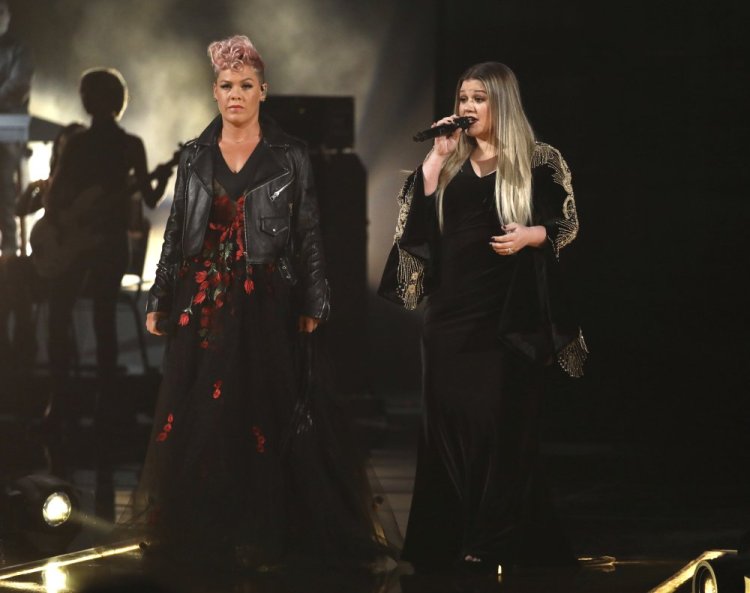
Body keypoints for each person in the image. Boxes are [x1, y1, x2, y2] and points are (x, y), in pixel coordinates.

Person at [129, 34, 399, 573]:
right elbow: (179, 229)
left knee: (265, 407)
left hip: (267, 295)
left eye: (246, 86)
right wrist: (159, 296)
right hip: (205, 300)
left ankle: (266, 528)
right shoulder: (195, 155)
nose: (235, 95)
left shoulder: (289, 154)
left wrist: (316, 296)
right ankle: (210, 528)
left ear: (263, 91)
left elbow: (308, 231)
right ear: (214, 92)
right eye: (227, 86)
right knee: (206, 412)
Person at [379, 62, 588, 573]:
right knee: (446, 428)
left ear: (502, 103)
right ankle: (444, 537)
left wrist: (529, 235)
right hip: (449, 318)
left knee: (500, 427)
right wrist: (434, 161)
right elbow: (416, 234)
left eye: (479, 98)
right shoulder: (448, 163)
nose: (468, 107)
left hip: (506, 318)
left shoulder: (538, 160)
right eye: (463, 97)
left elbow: (566, 224)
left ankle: (493, 538)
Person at [41, 68, 171, 429]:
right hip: (109, 245)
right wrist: (162, 177)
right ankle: (104, 408)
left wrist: (61, 224)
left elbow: (56, 194)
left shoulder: (79, 144)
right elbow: (151, 197)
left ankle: (60, 404)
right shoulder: (130, 145)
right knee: (104, 323)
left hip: (94, 244)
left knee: (60, 316)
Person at [0, 121, 85, 368]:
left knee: (14, 268)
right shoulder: (52, 183)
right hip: (47, 263)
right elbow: (20, 209)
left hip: (70, 266)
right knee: (8, 270)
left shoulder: (84, 187)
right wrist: (30, 190)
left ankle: (22, 343)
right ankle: (12, 344)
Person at [0, 0, 33, 256]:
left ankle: (10, 248)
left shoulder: (19, 49)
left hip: (8, 128)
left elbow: (19, 86)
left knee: (3, 184)